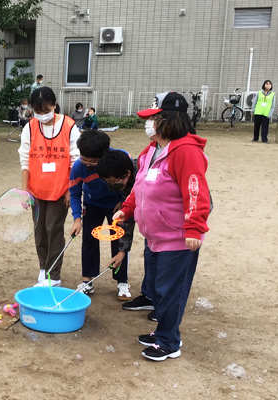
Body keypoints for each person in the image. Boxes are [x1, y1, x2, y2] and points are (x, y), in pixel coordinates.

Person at [113, 92, 210, 362]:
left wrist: (193, 228)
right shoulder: (152, 149)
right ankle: (163, 331)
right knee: (157, 289)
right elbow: (139, 185)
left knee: (171, 291)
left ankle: (169, 341)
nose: (149, 124)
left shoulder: (186, 152)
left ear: (168, 120)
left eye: (154, 118)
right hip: (154, 236)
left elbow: (195, 192)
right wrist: (127, 208)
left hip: (177, 239)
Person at [19, 87, 81, 287]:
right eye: (38, 111)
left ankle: (54, 275)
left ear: (54, 105)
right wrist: (24, 190)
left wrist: (69, 191)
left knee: (53, 229)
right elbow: (25, 160)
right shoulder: (30, 126)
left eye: (46, 110)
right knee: (39, 231)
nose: (42, 115)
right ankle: (43, 268)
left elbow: (75, 160)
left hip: (60, 190)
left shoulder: (70, 126)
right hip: (36, 189)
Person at [68, 131, 134, 301]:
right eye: (84, 159)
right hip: (92, 204)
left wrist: (123, 201)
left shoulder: (121, 158)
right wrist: (77, 218)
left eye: (93, 161)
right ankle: (87, 281)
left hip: (116, 205)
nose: (88, 164)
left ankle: (122, 281)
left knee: (119, 239)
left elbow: (131, 183)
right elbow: (75, 193)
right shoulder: (78, 167)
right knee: (89, 241)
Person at [97, 150, 155, 314]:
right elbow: (127, 219)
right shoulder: (127, 182)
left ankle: (163, 306)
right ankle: (149, 296)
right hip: (152, 228)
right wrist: (122, 251)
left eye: (112, 181)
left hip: (171, 225)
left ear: (126, 174)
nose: (111, 185)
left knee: (165, 262)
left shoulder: (147, 173)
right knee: (150, 254)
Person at [253, 80, 275, 144]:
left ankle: (264, 139)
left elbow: (273, 105)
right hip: (258, 112)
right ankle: (255, 138)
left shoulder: (273, 94)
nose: (268, 85)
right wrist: (253, 110)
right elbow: (254, 102)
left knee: (265, 127)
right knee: (256, 126)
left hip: (266, 113)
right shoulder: (259, 93)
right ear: (264, 85)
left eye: (269, 84)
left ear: (271, 86)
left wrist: (270, 113)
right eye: (266, 84)